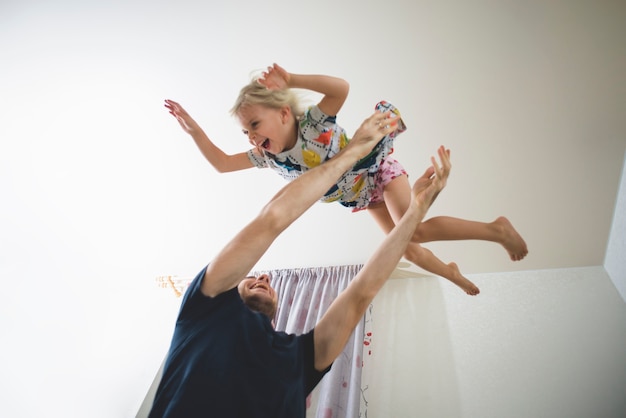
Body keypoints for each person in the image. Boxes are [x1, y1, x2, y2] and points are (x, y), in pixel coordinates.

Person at [148, 109, 451, 417]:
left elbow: (362, 292)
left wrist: (414, 213)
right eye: (255, 279)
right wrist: (355, 151)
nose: (264, 279)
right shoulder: (205, 308)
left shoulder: (303, 358)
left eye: (265, 280)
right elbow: (272, 219)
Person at [164, 64, 528, 295]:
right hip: (360, 196)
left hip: (373, 169)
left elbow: (340, 89)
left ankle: (496, 229)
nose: (251, 138)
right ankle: (452, 274)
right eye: (245, 131)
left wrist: (292, 79)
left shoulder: (314, 125)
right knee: (401, 246)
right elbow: (223, 164)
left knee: (411, 230)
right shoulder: (268, 157)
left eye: (255, 125)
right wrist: (194, 130)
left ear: (284, 114)